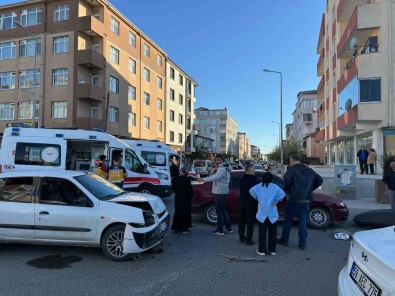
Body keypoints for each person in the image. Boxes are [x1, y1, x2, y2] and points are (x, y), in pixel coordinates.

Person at [277, 155, 323, 250]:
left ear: (291, 160)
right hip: (305, 200)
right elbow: (320, 180)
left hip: (293, 199)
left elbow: (286, 181)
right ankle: (302, 243)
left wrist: (287, 190)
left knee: (288, 220)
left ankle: (285, 240)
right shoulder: (309, 170)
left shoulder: (291, 169)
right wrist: (310, 189)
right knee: (302, 222)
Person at [250, 172, 285, 256]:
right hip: (272, 212)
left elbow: (251, 191)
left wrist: (258, 198)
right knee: (273, 232)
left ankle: (262, 250)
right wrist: (276, 201)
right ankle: (272, 250)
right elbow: (282, 194)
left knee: (262, 232)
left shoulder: (258, 187)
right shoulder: (275, 187)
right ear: (271, 179)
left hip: (262, 212)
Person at [199, 154, 233, 235]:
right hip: (223, 191)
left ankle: (220, 230)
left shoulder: (222, 169)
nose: (216, 161)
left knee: (219, 212)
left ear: (221, 160)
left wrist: (203, 179)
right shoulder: (226, 167)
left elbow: (215, 177)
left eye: (217, 160)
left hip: (219, 192)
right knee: (223, 210)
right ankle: (229, 228)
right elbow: (216, 176)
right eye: (216, 160)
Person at [238, 163, 259, 245]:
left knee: (242, 221)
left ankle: (241, 237)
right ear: (249, 170)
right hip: (251, 203)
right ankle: (249, 240)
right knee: (250, 222)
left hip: (242, 202)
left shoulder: (241, 179)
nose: (254, 171)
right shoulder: (254, 180)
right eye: (254, 169)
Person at [171, 166, 194, 233]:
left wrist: (177, 192)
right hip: (185, 198)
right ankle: (183, 228)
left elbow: (173, 188)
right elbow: (189, 190)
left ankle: (176, 227)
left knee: (178, 212)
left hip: (178, 197)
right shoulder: (187, 179)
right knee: (184, 213)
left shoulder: (175, 178)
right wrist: (191, 195)